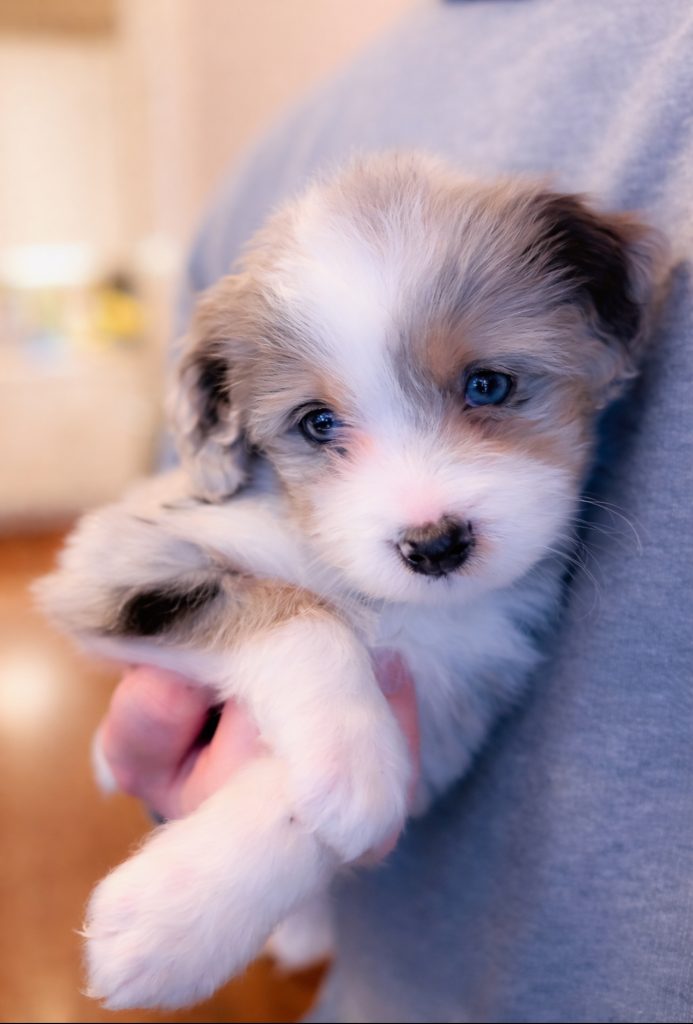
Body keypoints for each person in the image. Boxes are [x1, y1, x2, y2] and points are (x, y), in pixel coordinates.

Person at [97, 1, 693, 1020]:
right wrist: (268, 724)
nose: (425, 511)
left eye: (490, 387)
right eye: (324, 428)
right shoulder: (275, 161)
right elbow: (124, 580)